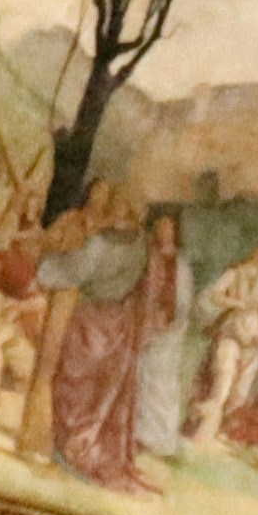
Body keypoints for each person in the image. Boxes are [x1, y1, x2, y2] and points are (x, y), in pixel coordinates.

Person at [34, 207, 185, 491]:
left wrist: (43, 260)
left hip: (91, 321)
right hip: (121, 326)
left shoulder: (100, 245)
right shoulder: (142, 249)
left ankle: (74, 445)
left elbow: (64, 274)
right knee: (101, 392)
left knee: (78, 386)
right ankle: (92, 446)